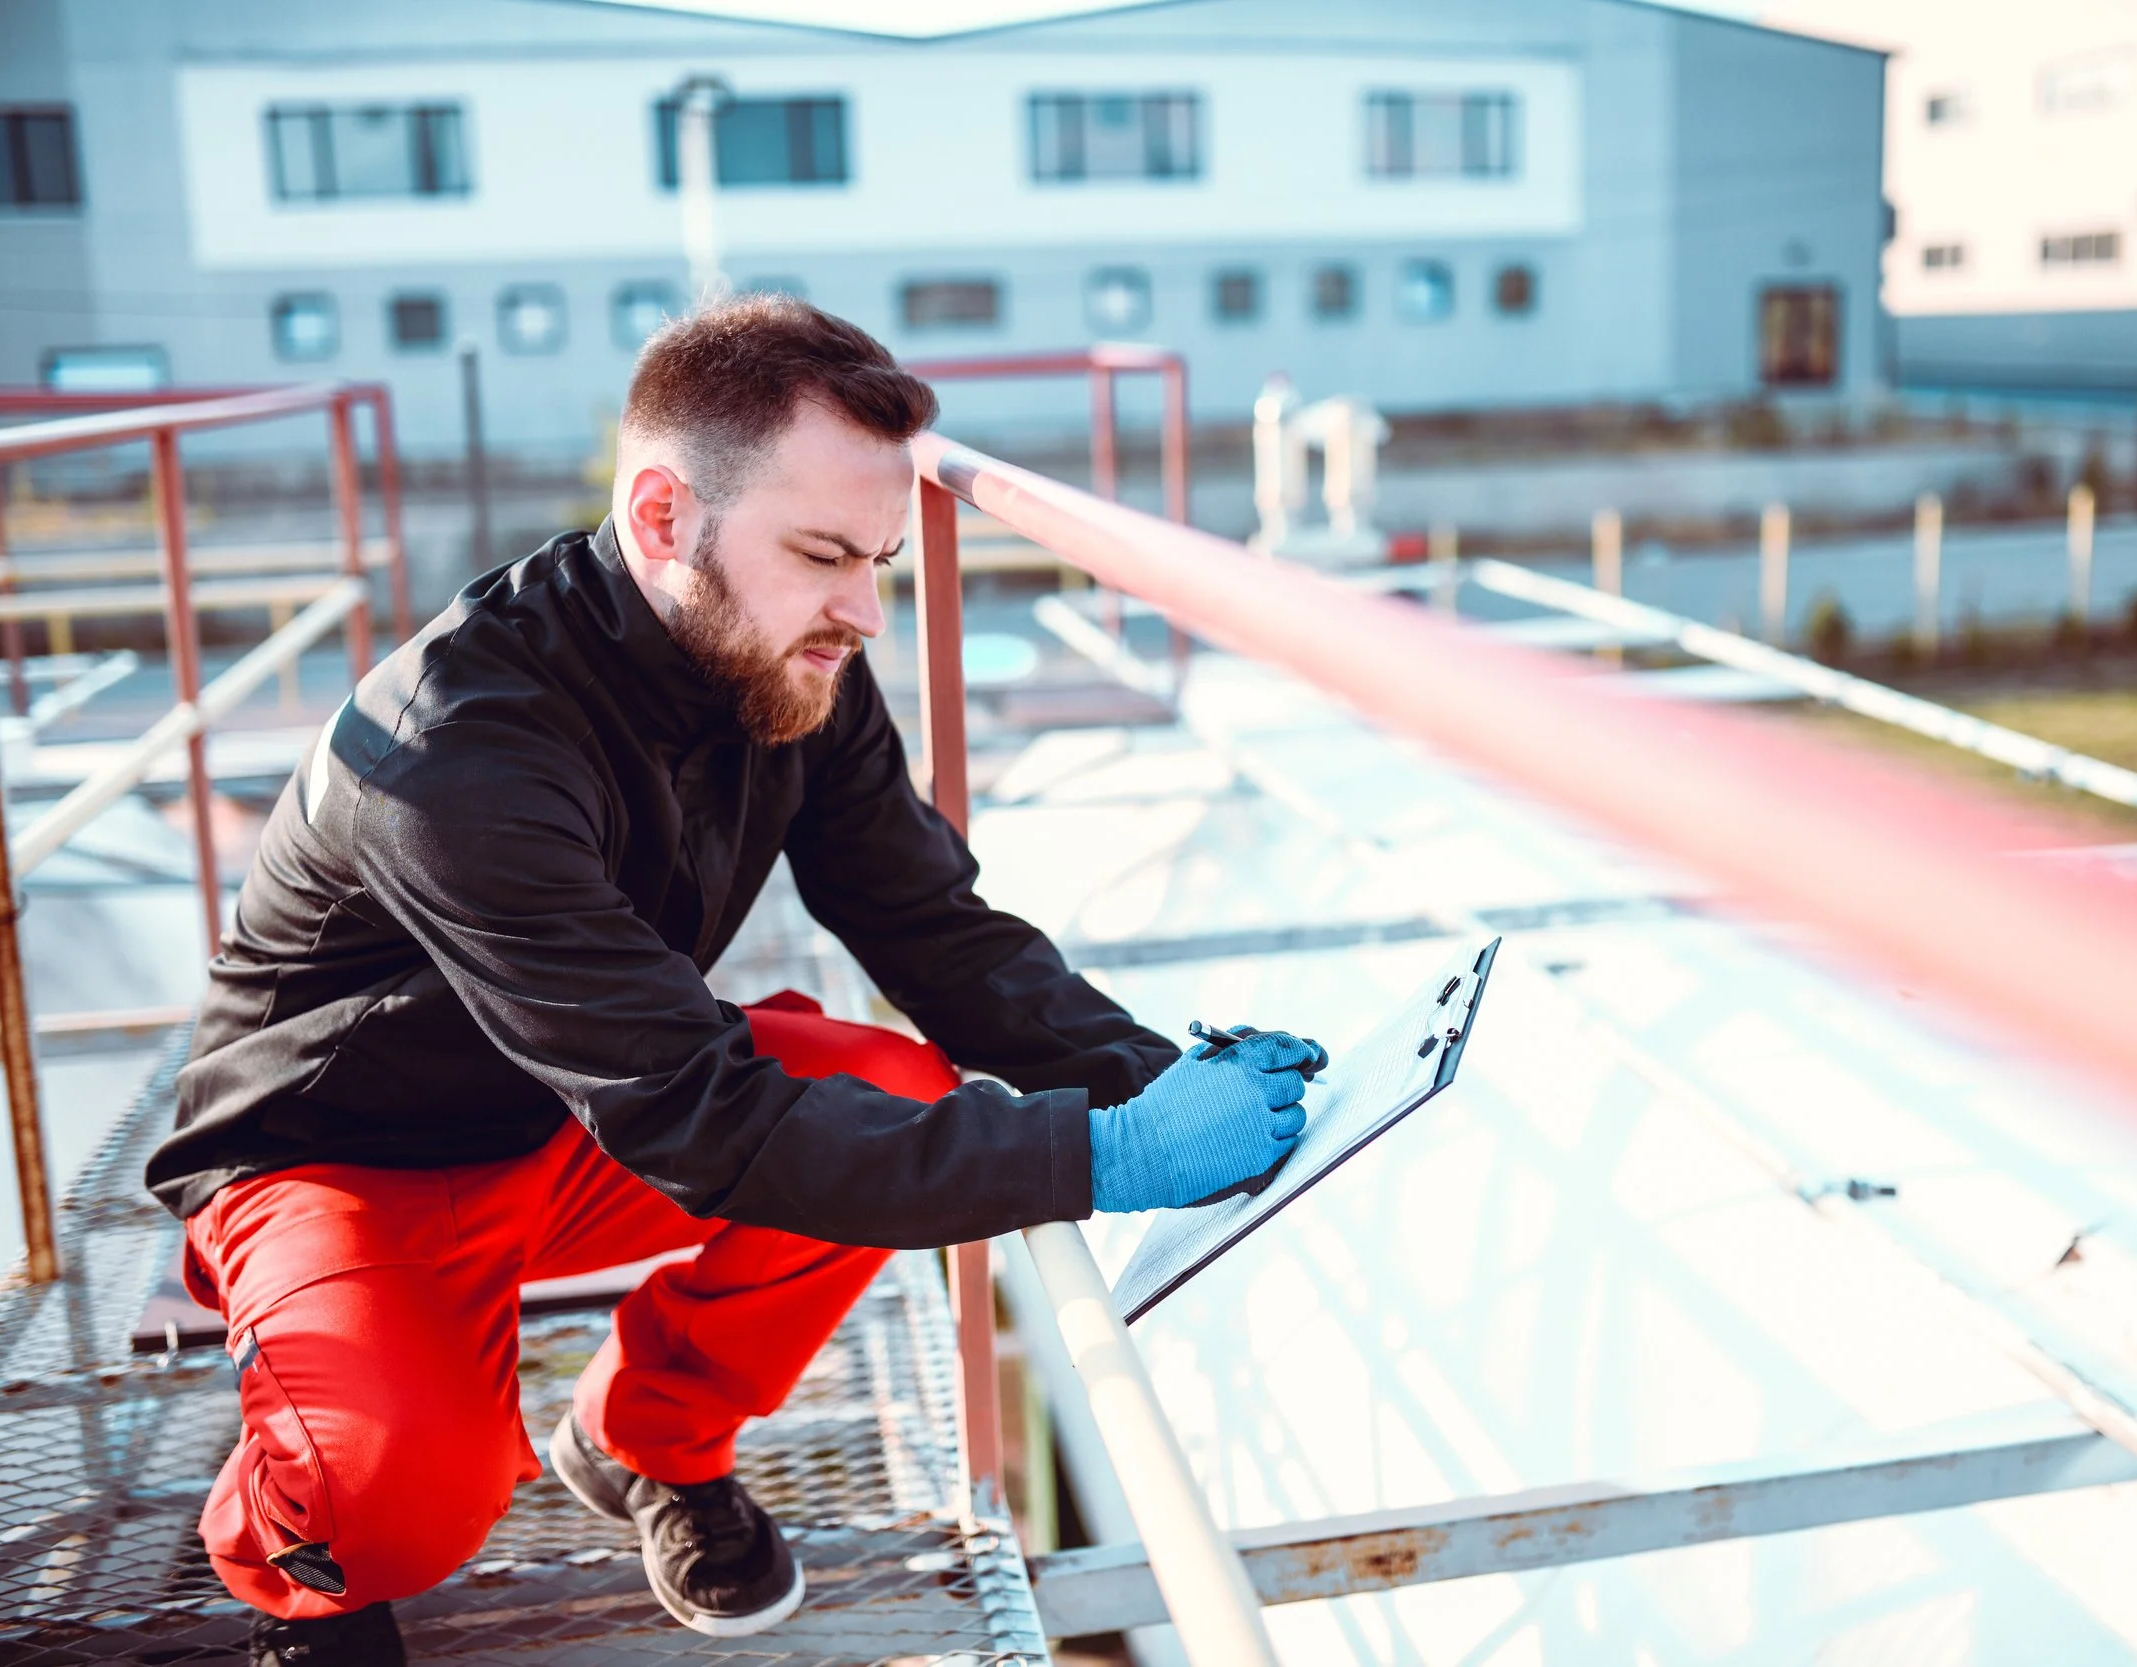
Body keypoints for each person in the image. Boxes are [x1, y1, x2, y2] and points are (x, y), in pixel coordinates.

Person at [146, 296, 1323, 1667]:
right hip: (341, 1163)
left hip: (567, 1117)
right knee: (394, 1496)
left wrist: (1147, 1071)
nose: (865, 610)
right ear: (662, 517)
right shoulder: (456, 751)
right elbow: (702, 1120)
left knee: (889, 1083)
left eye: (879, 557)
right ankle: (307, 1555)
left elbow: (929, 923)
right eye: (825, 553)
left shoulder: (788, 657)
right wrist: (1104, 1153)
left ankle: (646, 1437)